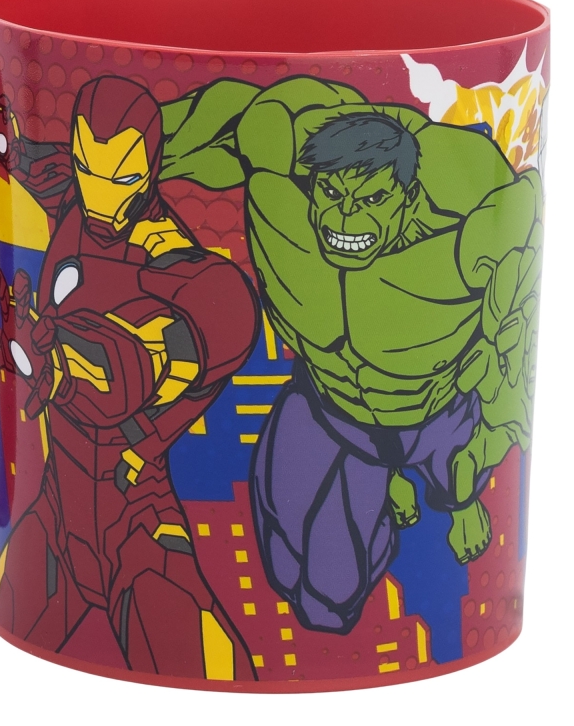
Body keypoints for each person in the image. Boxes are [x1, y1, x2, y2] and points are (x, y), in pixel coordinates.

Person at [159, 75, 541, 633]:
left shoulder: (471, 231)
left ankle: (448, 494)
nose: (344, 220)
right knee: (311, 587)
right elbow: (189, 125)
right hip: (330, 409)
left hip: (436, 415)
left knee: (452, 482)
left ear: (408, 198)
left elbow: (514, 354)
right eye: (333, 196)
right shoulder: (276, 166)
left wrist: (481, 464)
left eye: (373, 200)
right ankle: (383, 499)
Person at [0, 76, 260, 679]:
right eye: (90, 169)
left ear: (150, 170)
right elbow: (36, 162)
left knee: (208, 672)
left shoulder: (165, 256)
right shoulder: (72, 191)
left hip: (135, 521)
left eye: (123, 179)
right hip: (55, 512)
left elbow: (217, 318)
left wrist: (75, 362)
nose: (102, 195)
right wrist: (2, 137)